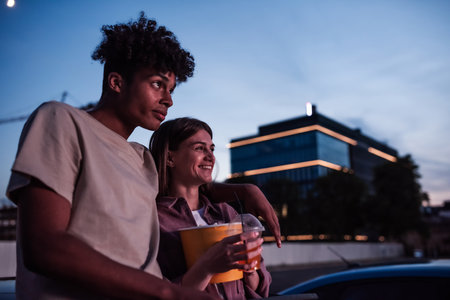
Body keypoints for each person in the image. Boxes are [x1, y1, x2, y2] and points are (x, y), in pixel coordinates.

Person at [6, 12, 280, 300]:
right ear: (116, 82)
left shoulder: (142, 159)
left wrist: (244, 190)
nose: (169, 100)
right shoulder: (61, 120)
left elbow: (186, 191)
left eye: (171, 90)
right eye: (157, 84)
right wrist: (170, 293)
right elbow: (44, 246)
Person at [150, 117, 271, 299]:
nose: (211, 157)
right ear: (169, 158)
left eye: (212, 149)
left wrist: (250, 270)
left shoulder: (227, 213)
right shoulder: (153, 219)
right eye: (199, 148)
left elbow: (261, 288)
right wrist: (207, 268)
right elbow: (152, 292)